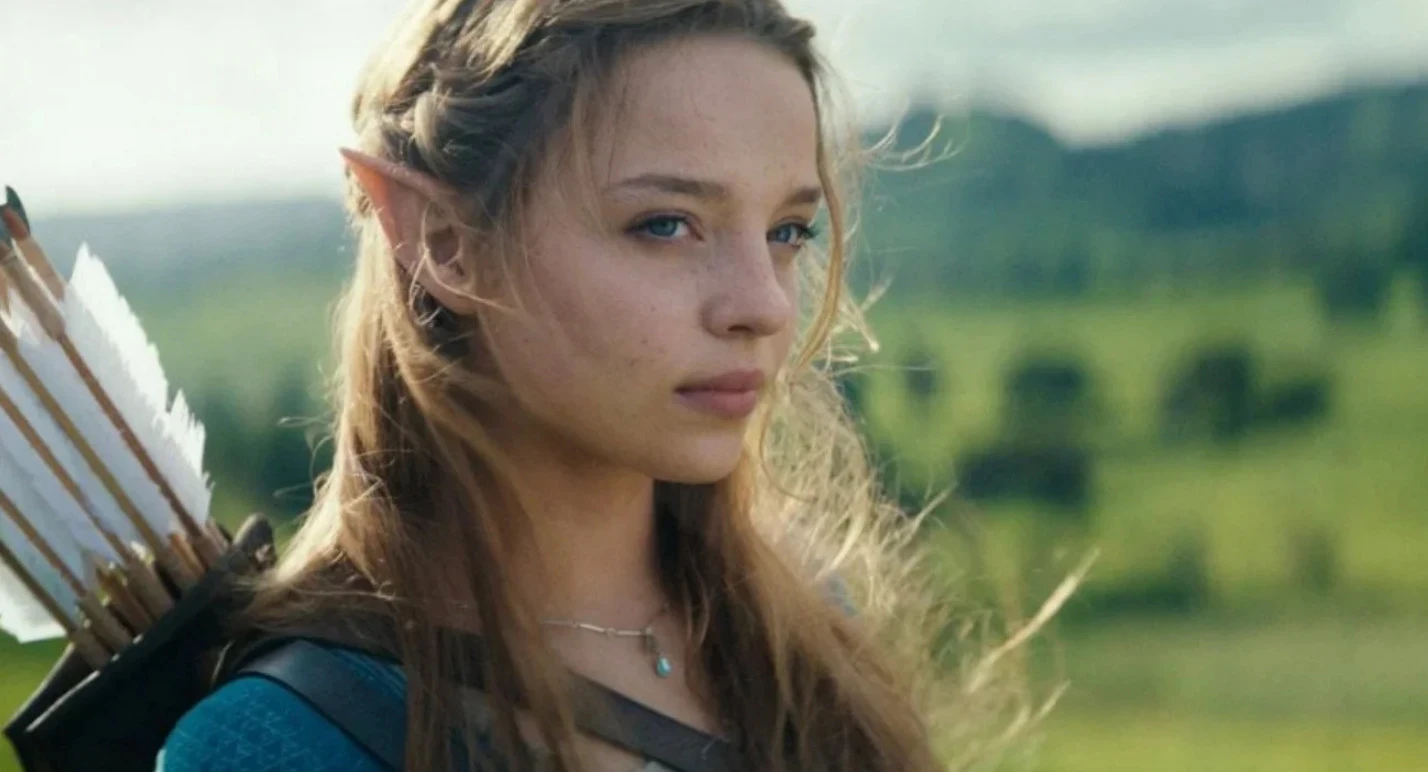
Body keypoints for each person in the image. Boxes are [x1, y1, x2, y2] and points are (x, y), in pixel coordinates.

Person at [158, 0, 970, 769]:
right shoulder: (281, 742)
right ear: (445, 242)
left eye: (788, 231)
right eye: (665, 225)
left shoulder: (804, 632)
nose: (763, 305)